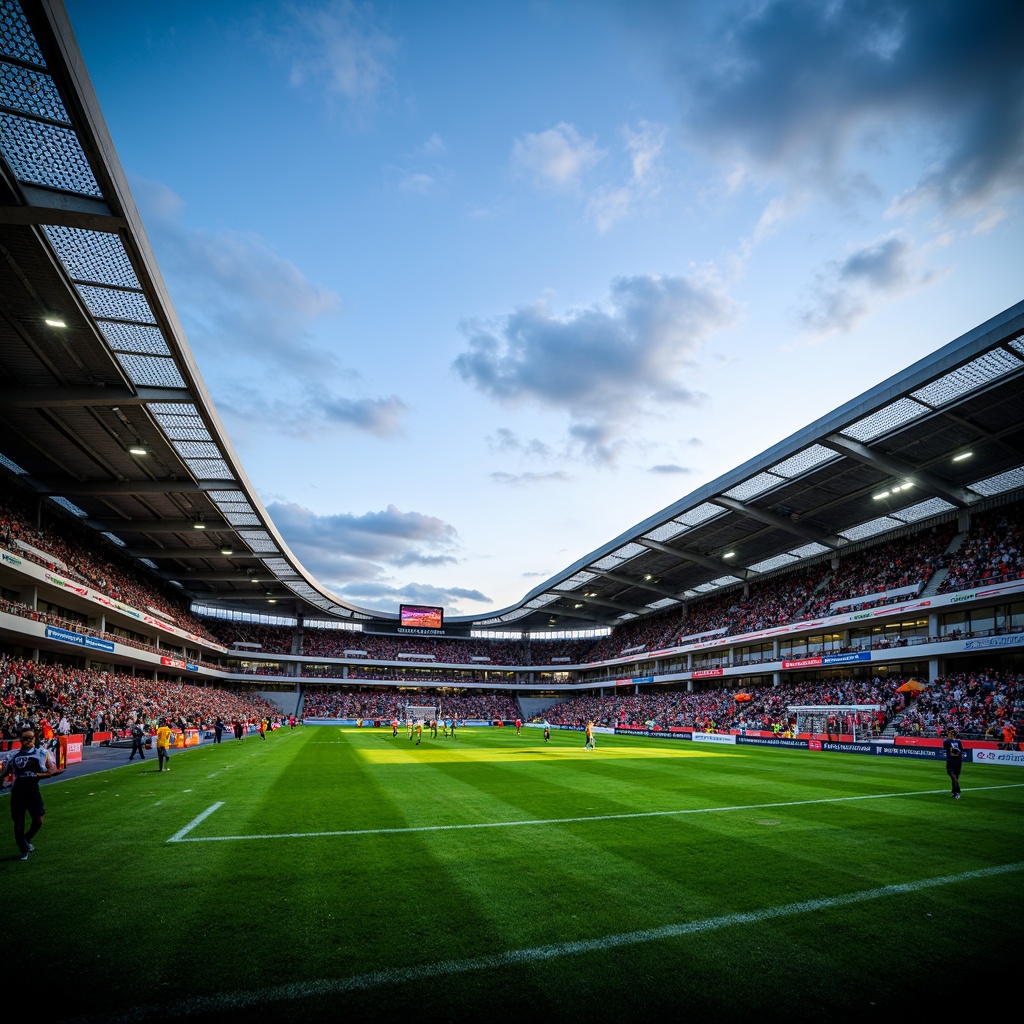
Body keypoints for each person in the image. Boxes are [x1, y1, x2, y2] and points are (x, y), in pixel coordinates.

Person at [0, 725, 63, 859]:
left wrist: (38, 775)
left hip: (33, 792)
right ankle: (23, 850)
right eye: (25, 738)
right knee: (18, 824)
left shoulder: (42, 753)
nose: (28, 740)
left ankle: (26, 839)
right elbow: (4, 774)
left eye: (31, 738)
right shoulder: (13, 755)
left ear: (35, 739)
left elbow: (52, 771)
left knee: (38, 821)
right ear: (20, 739)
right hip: (17, 793)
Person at [943, 727, 964, 799]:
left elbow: (960, 751)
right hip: (950, 761)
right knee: (953, 777)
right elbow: (950, 751)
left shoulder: (958, 742)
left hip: (958, 761)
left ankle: (954, 791)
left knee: (956, 777)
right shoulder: (947, 741)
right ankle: (957, 792)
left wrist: (957, 752)